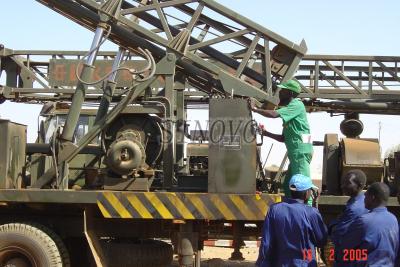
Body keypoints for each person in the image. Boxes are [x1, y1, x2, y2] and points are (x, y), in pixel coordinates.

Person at [250, 80, 313, 199]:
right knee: (288, 185)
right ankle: (291, 207)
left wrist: (255, 109)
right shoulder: (290, 111)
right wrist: (266, 133)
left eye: (282, 91)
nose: (279, 93)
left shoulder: (296, 104)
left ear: (289, 93)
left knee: (302, 186)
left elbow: (274, 114)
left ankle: (307, 210)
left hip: (300, 151)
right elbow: (283, 138)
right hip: (296, 152)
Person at [256, 174, 328, 267]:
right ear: (307, 193)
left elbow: (267, 242)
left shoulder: (274, 209)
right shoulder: (312, 213)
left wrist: (262, 264)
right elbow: (321, 240)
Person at [340, 182, 399, 266]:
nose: (364, 199)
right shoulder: (393, 219)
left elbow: (345, 248)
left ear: (372, 198)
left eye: (366, 195)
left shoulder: (364, 221)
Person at [329, 169, 369, 266]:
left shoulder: (354, 208)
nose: (342, 186)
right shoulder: (360, 201)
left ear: (359, 185)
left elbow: (338, 232)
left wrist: (332, 227)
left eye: (347, 183)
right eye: (343, 182)